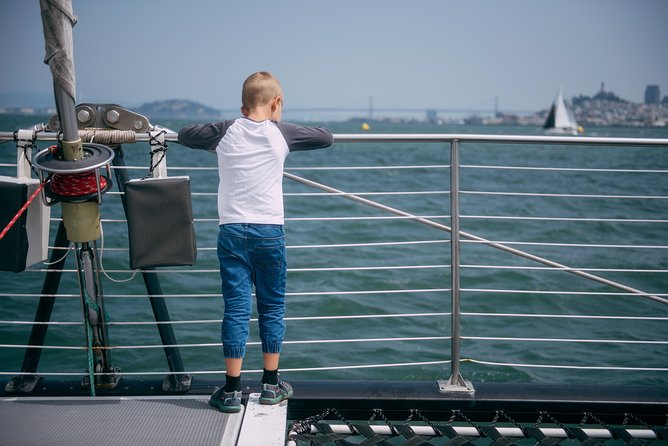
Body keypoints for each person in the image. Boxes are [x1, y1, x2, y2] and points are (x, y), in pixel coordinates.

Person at [178, 71, 333, 413]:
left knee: (235, 309)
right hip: (269, 232)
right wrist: (279, 121)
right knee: (272, 307)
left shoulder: (224, 131)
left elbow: (186, 134)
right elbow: (326, 137)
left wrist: (226, 124)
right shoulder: (282, 132)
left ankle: (231, 391)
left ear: (242, 105)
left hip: (232, 231)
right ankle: (270, 385)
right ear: (276, 103)